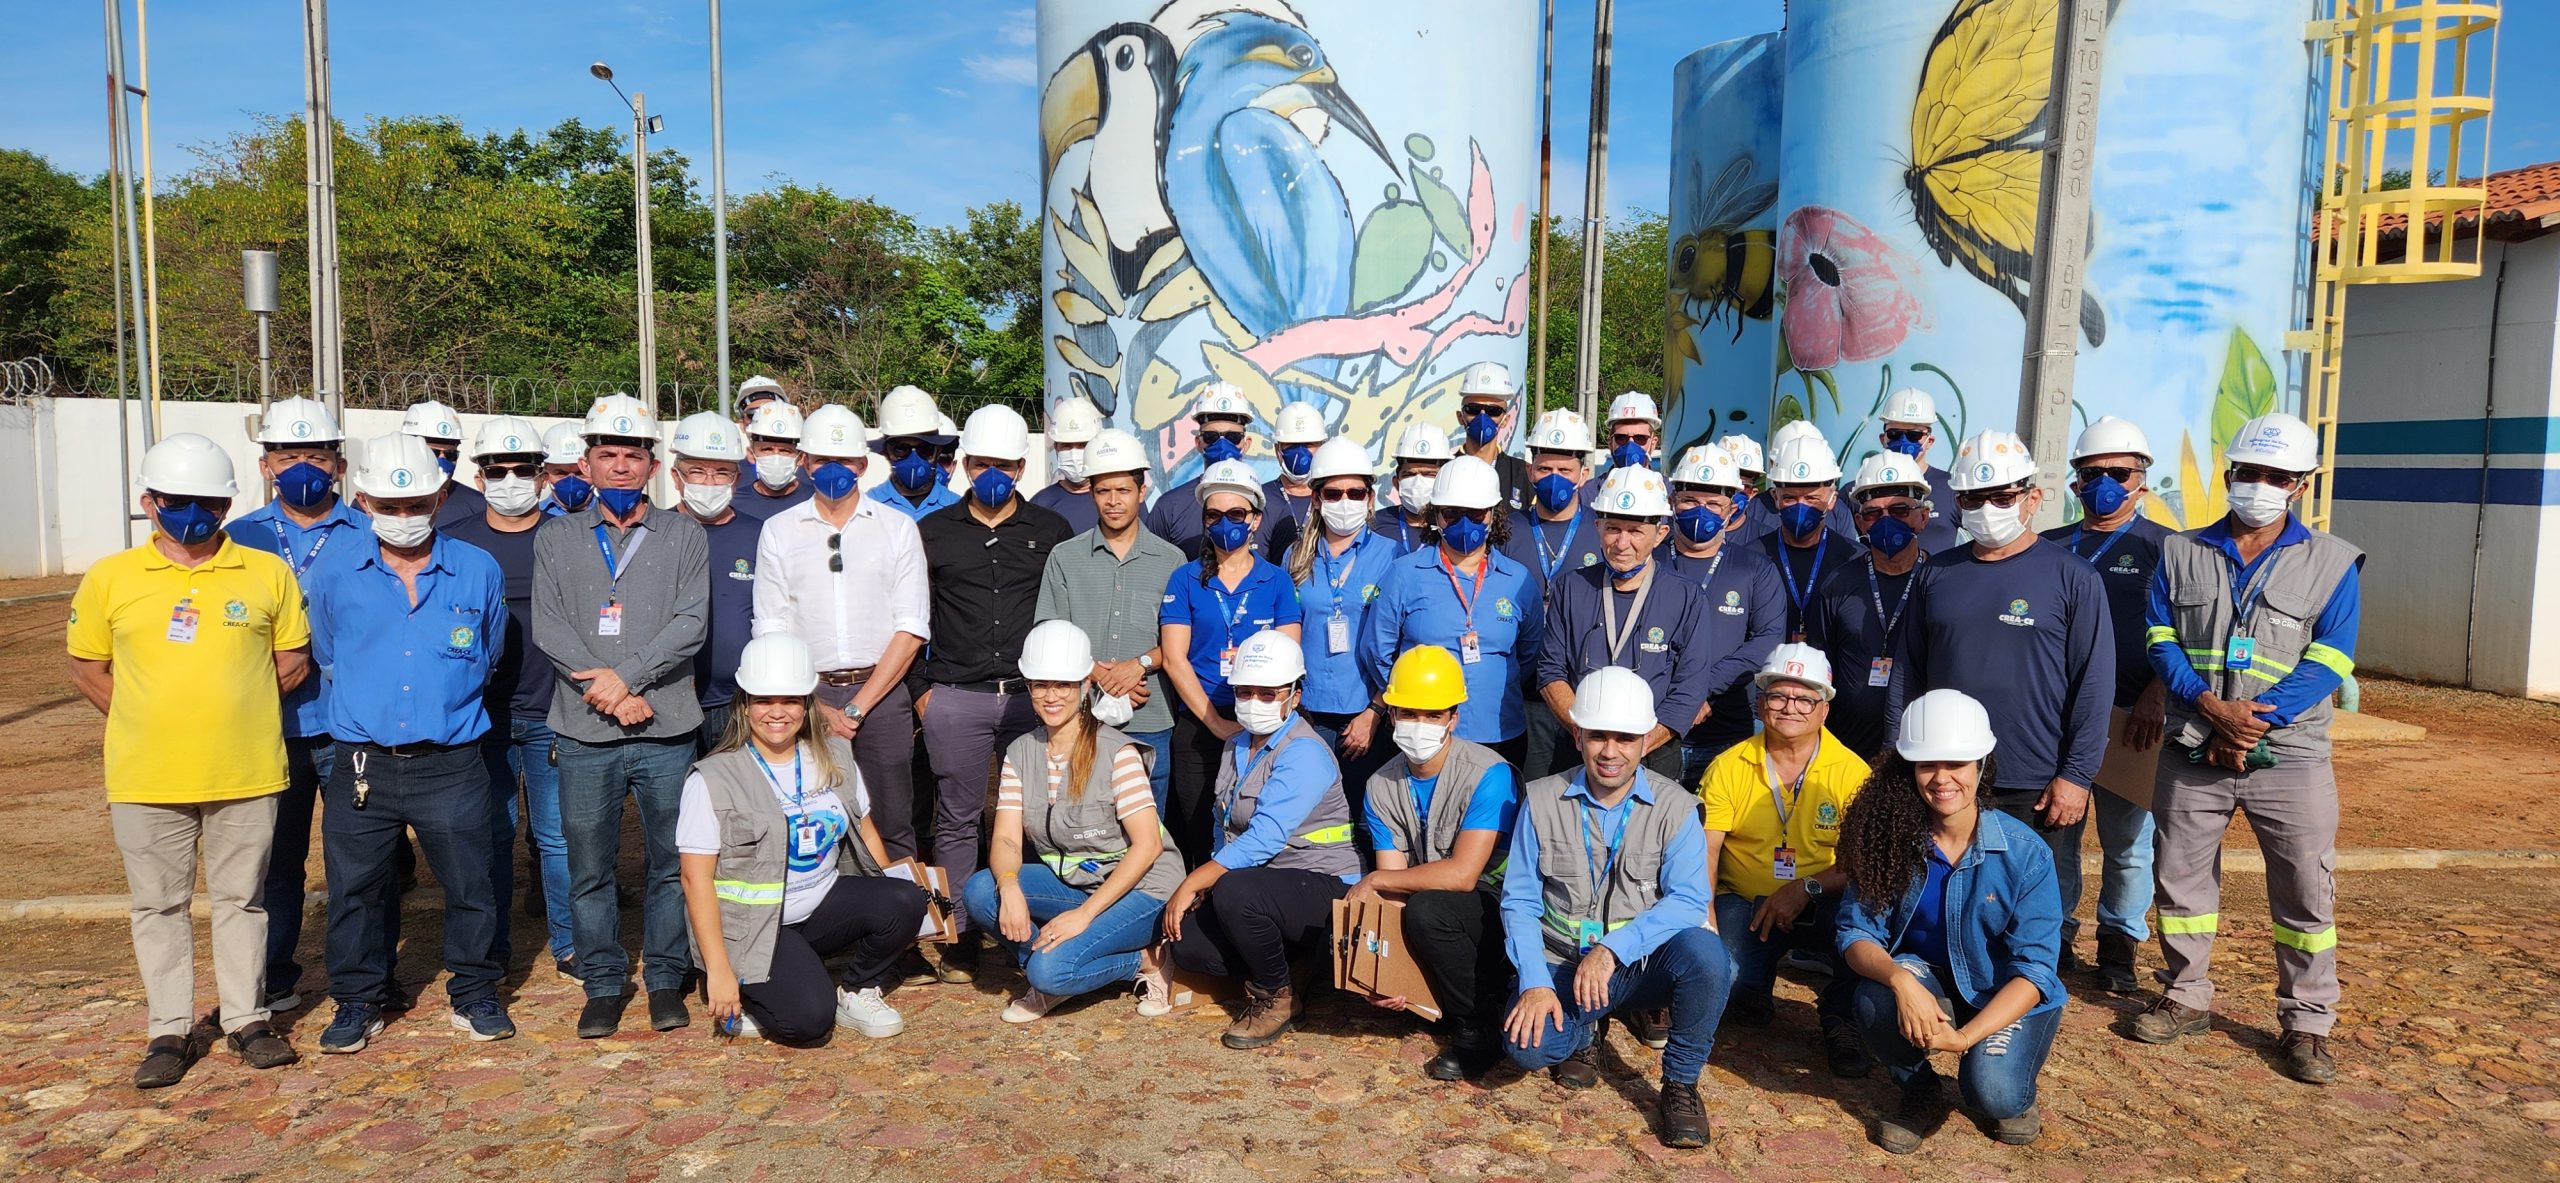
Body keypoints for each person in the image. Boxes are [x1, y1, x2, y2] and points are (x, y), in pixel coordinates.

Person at [69, 434, 310, 1087]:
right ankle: (169, 1030)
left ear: (228, 502)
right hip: (147, 776)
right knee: (158, 906)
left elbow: (292, 660)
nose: (194, 512)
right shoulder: (110, 577)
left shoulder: (266, 572)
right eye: (178, 500)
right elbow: (88, 666)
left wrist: (237, 707)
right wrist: (147, 718)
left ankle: (247, 1020)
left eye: (208, 499)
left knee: (243, 900)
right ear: (149, 500)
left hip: (247, 769)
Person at [2135, 412, 2362, 1086]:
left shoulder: (2333, 562)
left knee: (2304, 890)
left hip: (2288, 755)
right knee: (2179, 877)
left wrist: (2256, 720)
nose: (2260, 485)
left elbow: (2331, 657)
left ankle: (2308, 1021)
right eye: (2249, 472)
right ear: (2230, 473)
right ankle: (2185, 995)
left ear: (2300, 484)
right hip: (2192, 744)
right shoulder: (2181, 551)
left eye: (2277, 476)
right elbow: (2159, 637)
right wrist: (2210, 708)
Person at [302, 433, 514, 1052]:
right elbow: (329, 652)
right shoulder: (334, 571)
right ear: (362, 499)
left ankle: (474, 991)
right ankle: (359, 999)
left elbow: (489, 654)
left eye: (417, 503)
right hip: (363, 763)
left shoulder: (477, 569)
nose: (403, 517)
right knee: (355, 890)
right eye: (389, 508)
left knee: (471, 885)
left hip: (450, 762)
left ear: (442, 495)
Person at [532, 393, 712, 1038]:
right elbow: (550, 625)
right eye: (606, 455)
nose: (619, 467)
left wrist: (627, 679)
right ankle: (604, 981)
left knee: (671, 860)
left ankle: (666, 977)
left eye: (631, 456)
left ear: (652, 465)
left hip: (666, 725)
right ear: (585, 464)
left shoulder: (684, 534)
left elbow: (691, 623)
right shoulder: (555, 536)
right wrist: (609, 692)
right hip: (585, 728)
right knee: (589, 863)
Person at [1499, 667, 1727, 1149]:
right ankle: (1584, 1027)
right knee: (1528, 1048)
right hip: (1562, 960)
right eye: (1598, 735)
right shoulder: (1540, 799)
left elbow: (1689, 899)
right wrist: (1535, 983)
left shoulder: (1677, 806)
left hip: (1639, 963)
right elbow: (1518, 900)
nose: (1610, 750)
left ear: (1646, 741)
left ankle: (1682, 1083)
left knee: (1712, 960)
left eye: (1625, 738)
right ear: (1577, 734)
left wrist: (1611, 949)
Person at [1909, 430, 2111, 974]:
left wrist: (2076, 775)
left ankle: (2029, 996)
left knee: (2038, 895)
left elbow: (2094, 685)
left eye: (2002, 496)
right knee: (1948, 881)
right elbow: (1909, 674)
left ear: (2033, 498)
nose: (1988, 509)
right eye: (1974, 499)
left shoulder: (2073, 577)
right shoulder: (1935, 575)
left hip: (2037, 776)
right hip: (1949, 771)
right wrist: (1897, 756)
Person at [1836, 689, 2066, 1153]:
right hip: (1928, 981)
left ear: (1981, 765)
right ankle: (1920, 1090)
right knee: (1873, 998)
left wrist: (1964, 1039)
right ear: (1910, 770)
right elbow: (1856, 932)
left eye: (1956, 764)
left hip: (2002, 994)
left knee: (1995, 1095)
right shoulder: (1889, 839)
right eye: (1927, 765)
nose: (1942, 779)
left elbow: (2035, 970)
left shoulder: (2027, 853)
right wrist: (1901, 980)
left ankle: (2005, 1084)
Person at [678, 633, 927, 1044]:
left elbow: (865, 827)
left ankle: (856, 989)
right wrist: (718, 969)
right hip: (755, 927)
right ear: (744, 704)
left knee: (907, 896)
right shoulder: (713, 779)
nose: (777, 712)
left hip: (819, 907)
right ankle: (748, 985)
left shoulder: (836, 756)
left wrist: (901, 909)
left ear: (807, 704)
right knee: (809, 1023)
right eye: (764, 700)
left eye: (790, 700)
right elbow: (695, 879)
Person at [916, 405, 1077, 982]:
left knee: (1038, 814)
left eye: (1004, 465)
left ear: (1020, 466)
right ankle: (960, 935)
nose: (992, 474)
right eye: (981, 464)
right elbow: (913, 616)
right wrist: (921, 692)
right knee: (957, 816)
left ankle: (1027, 926)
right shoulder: (932, 532)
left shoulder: (1050, 531)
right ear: (962, 466)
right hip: (954, 694)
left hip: (1030, 698)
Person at [963, 621, 1187, 1022]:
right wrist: (1009, 885)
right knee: (983, 890)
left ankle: (1142, 962)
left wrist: (1083, 916)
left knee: (1049, 970)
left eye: (1063, 685)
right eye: (1040, 685)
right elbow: (1008, 840)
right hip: (1078, 882)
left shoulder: (1117, 752)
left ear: (1085, 684)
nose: (1051, 697)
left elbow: (1148, 846)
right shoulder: (1019, 752)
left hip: (1142, 890)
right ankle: (1056, 965)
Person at [228, 397, 369, 1014]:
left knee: (358, 860)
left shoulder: (370, 532)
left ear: (339, 466)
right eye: (289, 456)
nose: (302, 468)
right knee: (274, 863)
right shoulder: (237, 539)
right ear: (266, 465)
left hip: (345, 725)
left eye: (316, 456)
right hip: (267, 728)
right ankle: (276, 972)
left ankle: (360, 976)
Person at [1163, 630, 1362, 1049]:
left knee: (1234, 890)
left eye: (1269, 693)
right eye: (1246, 691)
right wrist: (1208, 884)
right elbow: (1225, 823)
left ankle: (1278, 996)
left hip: (1320, 882)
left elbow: (1265, 838)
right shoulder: (1235, 743)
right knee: (1190, 947)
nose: (1255, 702)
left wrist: (1196, 880)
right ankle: (1292, 964)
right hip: (1264, 885)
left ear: (1295, 694)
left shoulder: (1304, 751)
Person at [752, 405, 930, 860]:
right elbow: (771, 626)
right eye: (821, 460)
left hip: (881, 696)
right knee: (812, 817)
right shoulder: (778, 531)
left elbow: (910, 628)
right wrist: (814, 703)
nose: (834, 470)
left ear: (863, 466)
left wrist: (855, 707)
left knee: (893, 820)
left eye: (845, 461)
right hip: (805, 697)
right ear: (805, 463)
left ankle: (905, 924)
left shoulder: (897, 529)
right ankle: (830, 918)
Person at [2039, 415, 2174, 996]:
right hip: (2056, 717)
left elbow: (2189, 634)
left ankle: (2119, 941)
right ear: (2074, 483)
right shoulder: (2049, 546)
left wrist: (2157, 692)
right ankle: (2057, 935)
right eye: (2091, 474)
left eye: (2118, 473)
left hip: (2130, 718)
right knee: (2056, 834)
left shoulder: (2167, 550)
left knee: (2127, 843)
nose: (2104, 483)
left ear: (2143, 479)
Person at [444, 416, 577, 979]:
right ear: (480, 476)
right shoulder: (459, 542)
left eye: (524, 469)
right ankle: (493, 946)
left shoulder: (568, 536)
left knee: (558, 837)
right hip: (483, 716)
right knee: (491, 835)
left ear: (544, 476)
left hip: (554, 711)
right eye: (498, 470)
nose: (511, 479)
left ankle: (571, 942)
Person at [1699, 645, 1872, 1076]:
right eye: (1778, 696)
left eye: (1804, 698)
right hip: (1745, 900)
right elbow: (1706, 852)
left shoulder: (1853, 773)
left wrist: (1805, 888)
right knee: (1729, 979)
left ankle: (1840, 1016)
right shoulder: (1727, 766)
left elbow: (1863, 862)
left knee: (1866, 918)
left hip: (1824, 898)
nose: (1789, 708)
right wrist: (1706, 927)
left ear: (1824, 709)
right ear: (1760, 704)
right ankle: (1752, 986)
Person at [1351, 645, 1520, 1080]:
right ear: (1391, 716)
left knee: (1428, 909)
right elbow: (1393, 888)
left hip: (1498, 907)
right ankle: (1433, 996)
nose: (1418, 726)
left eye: (1432, 715)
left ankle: (1478, 1025)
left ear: (1453, 719)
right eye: (1408, 713)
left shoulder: (1489, 773)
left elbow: (1464, 875)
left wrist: (1376, 878)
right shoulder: (1380, 784)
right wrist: (1391, 973)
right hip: (1435, 905)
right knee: (1401, 911)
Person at [1159, 459, 1304, 867]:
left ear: (1255, 519)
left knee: (1250, 823)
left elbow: (1288, 655)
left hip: (1261, 721)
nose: (1226, 524)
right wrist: (1217, 724)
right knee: (1196, 825)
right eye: (1215, 515)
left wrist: (1258, 720)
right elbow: (1175, 657)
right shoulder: (1185, 579)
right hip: (1201, 722)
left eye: (1236, 514)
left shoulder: (1276, 581)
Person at [1533, 466, 1712, 782]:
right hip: (1577, 753)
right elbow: (1550, 673)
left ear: (1660, 534)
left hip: (1653, 756)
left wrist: (1634, 747)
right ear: (1598, 527)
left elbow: (1690, 688)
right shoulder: (1569, 588)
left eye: (1636, 531)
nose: (1622, 542)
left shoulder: (1686, 596)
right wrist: (1586, 736)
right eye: (1613, 528)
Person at [1036, 429, 1183, 811]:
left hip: (1151, 718)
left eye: (1123, 491)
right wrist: (1101, 676)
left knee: (1149, 825)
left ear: (1142, 491)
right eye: (1104, 491)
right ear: (1091, 492)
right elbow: (1050, 632)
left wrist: (1140, 665)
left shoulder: (1172, 561)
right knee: (1080, 821)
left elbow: (1181, 639)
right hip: (1078, 717)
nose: (1114, 502)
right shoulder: (1065, 557)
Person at [1366, 456, 1542, 768]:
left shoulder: (1519, 580)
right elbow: (1379, 650)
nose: (1465, 524)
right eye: (1451, 514)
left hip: (1500, 732)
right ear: (1436, 515)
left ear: (1492, 515)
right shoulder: (1404, 574)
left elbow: (1528, 653)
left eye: (1475, 514)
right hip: (1425, 736)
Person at [1657, 445, 1786, 781]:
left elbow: (1767, 641)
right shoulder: (1649, 562)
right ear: (1672, 502)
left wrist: (1700, 689)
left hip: (1729, 736)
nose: (1702, 512)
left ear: (1731, 510)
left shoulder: (1754, 567)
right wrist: (1682, 701)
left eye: (1713, 504)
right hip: (1653, 736)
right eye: (1690, 502)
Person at [1286, 438, 1403, 800]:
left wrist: (1375, 711)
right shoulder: (1294, 556)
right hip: (1306, 714)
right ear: (1317, 498)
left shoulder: (1393, 555)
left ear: (1370, 497)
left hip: (1368, 715)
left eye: (1355, 492)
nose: (1344, 502)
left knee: (1364, 819)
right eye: (1334, 494)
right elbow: (1285, 631)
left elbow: (1401, 641)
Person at [1808, 452, 1935, 761]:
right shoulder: (1837, 583)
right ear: (1858, 520)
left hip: (1925, 746)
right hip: (1846, 747)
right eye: (1873, 514)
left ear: (1923, 516)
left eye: (1899, 510)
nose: (1886, 521)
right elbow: (1820, 666)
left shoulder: (1941, 582)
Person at [669, 413, 765, 750]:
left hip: (738, 702)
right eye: (696, 471)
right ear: (676, 477)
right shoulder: (654, 533)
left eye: (721, 472)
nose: (709, 482)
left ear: (736, 479)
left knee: (736, 800)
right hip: (668, 701)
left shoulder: (761, 535)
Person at [1759, 433, 1859, 641]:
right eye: (1790, 498)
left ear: (1832, 500)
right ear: (1776, 498)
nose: (1800, 506)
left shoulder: (1854, 558)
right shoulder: (1752, 557)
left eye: (1812, 498)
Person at [1500, 409, 1604, 604]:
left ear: (1583, 475)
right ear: (1530, 471)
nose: (1554, 479)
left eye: (1565, 470)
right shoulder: (1507, 529)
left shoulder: (1602, 529)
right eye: (1544, 469)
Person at [1144, 384, 1260, 557]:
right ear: (1198, 443)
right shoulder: (1169, 507)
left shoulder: (1262, 505)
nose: (1222, 445)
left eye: (1232, 437)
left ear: (1246, 443)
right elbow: (1151, 566)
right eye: (1211, 437)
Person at [1871, 388, 1962, 554]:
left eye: (1914, 434)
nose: (1904, 441)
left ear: (1930, 441)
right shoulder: (1860, 490)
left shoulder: (1952, 487)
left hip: (1935, 580)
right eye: (1894, 433)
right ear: (1883, 438)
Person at [871, 385, 961, 522]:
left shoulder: (958, 510)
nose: (914, 459)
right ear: (887, 452)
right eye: (902, 449)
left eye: (925, 449)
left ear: (938, 451)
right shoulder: (868, 508)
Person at [1453, 362, 1533, 512]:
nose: (1482, 417)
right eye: (1473, 409)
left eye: (1493, 411)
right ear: (1460, 416)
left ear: (1506, 420)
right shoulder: (1444, 469)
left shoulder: (1523, 474)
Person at [1259, 400, 1329, 558]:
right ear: (1278, 449)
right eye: (1291, 444)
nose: (1300, 452)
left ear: (1322, 447)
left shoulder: (1335, 497)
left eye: (1308, 443)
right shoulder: (1258, 498)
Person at [1030, 394, 1107, 534]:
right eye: (1066, 445)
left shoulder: (1120, 500)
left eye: (1083, 445)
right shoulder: (1041, 503)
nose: (1074, 453)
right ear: (1056, 447)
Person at [404, 399, 486, 529]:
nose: (442, 461)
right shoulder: (378, 502)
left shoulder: (479, 507)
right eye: (432, 453)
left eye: (450, 455)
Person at [731, 399, 814, 523]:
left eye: (785, 451)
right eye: (767, 449)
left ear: (801, 458)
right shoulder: (733, 504)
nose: (776, 458)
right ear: (751, 454)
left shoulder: (815, 502)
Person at [1377, 422, 1452, 553]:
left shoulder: (1455, 526)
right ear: (1396, 483)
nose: (1418, 482)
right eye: (1410, 474)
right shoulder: (1375, 526)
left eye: (1429, 474)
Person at [1589, 391, 1663, 496]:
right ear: (1610, 443)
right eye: (1621, 438)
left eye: (1640, 438)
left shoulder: (1670, 493)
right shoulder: (1587, 494)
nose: (1630, 445)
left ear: (1653, 443)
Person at [539, 422, 595, 516]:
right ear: (545, 476)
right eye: (561, 473)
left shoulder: (613, 515)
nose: (571, 480)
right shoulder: (533, 517)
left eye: (580, 472)